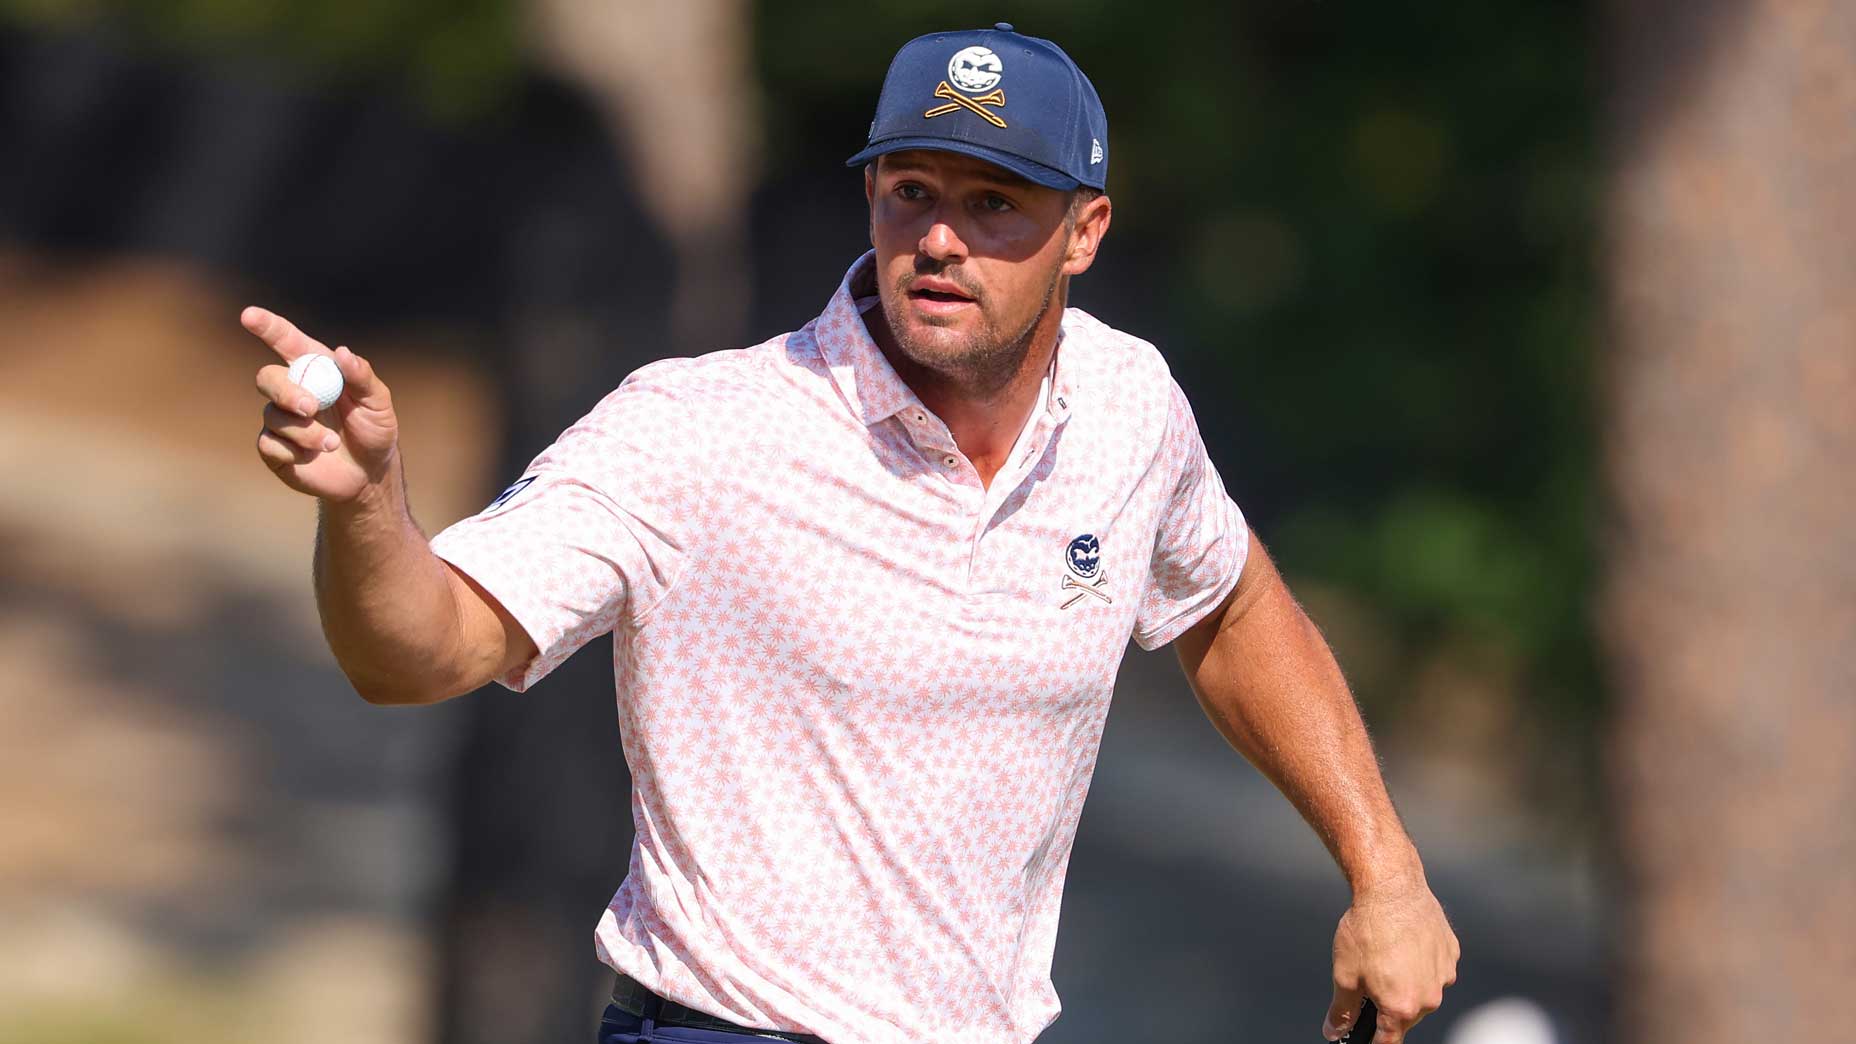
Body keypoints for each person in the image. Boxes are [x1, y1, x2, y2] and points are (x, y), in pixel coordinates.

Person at [247, 23, 1457, 1044]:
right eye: (911, 193)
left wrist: (1384, 873)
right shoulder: (697, 428)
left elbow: (1231, 610)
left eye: (994, 205)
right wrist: (363, 509)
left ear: (1082, 235)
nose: (939, 238)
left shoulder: (1130, 410)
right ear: (870, 197)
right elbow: (418, 652)